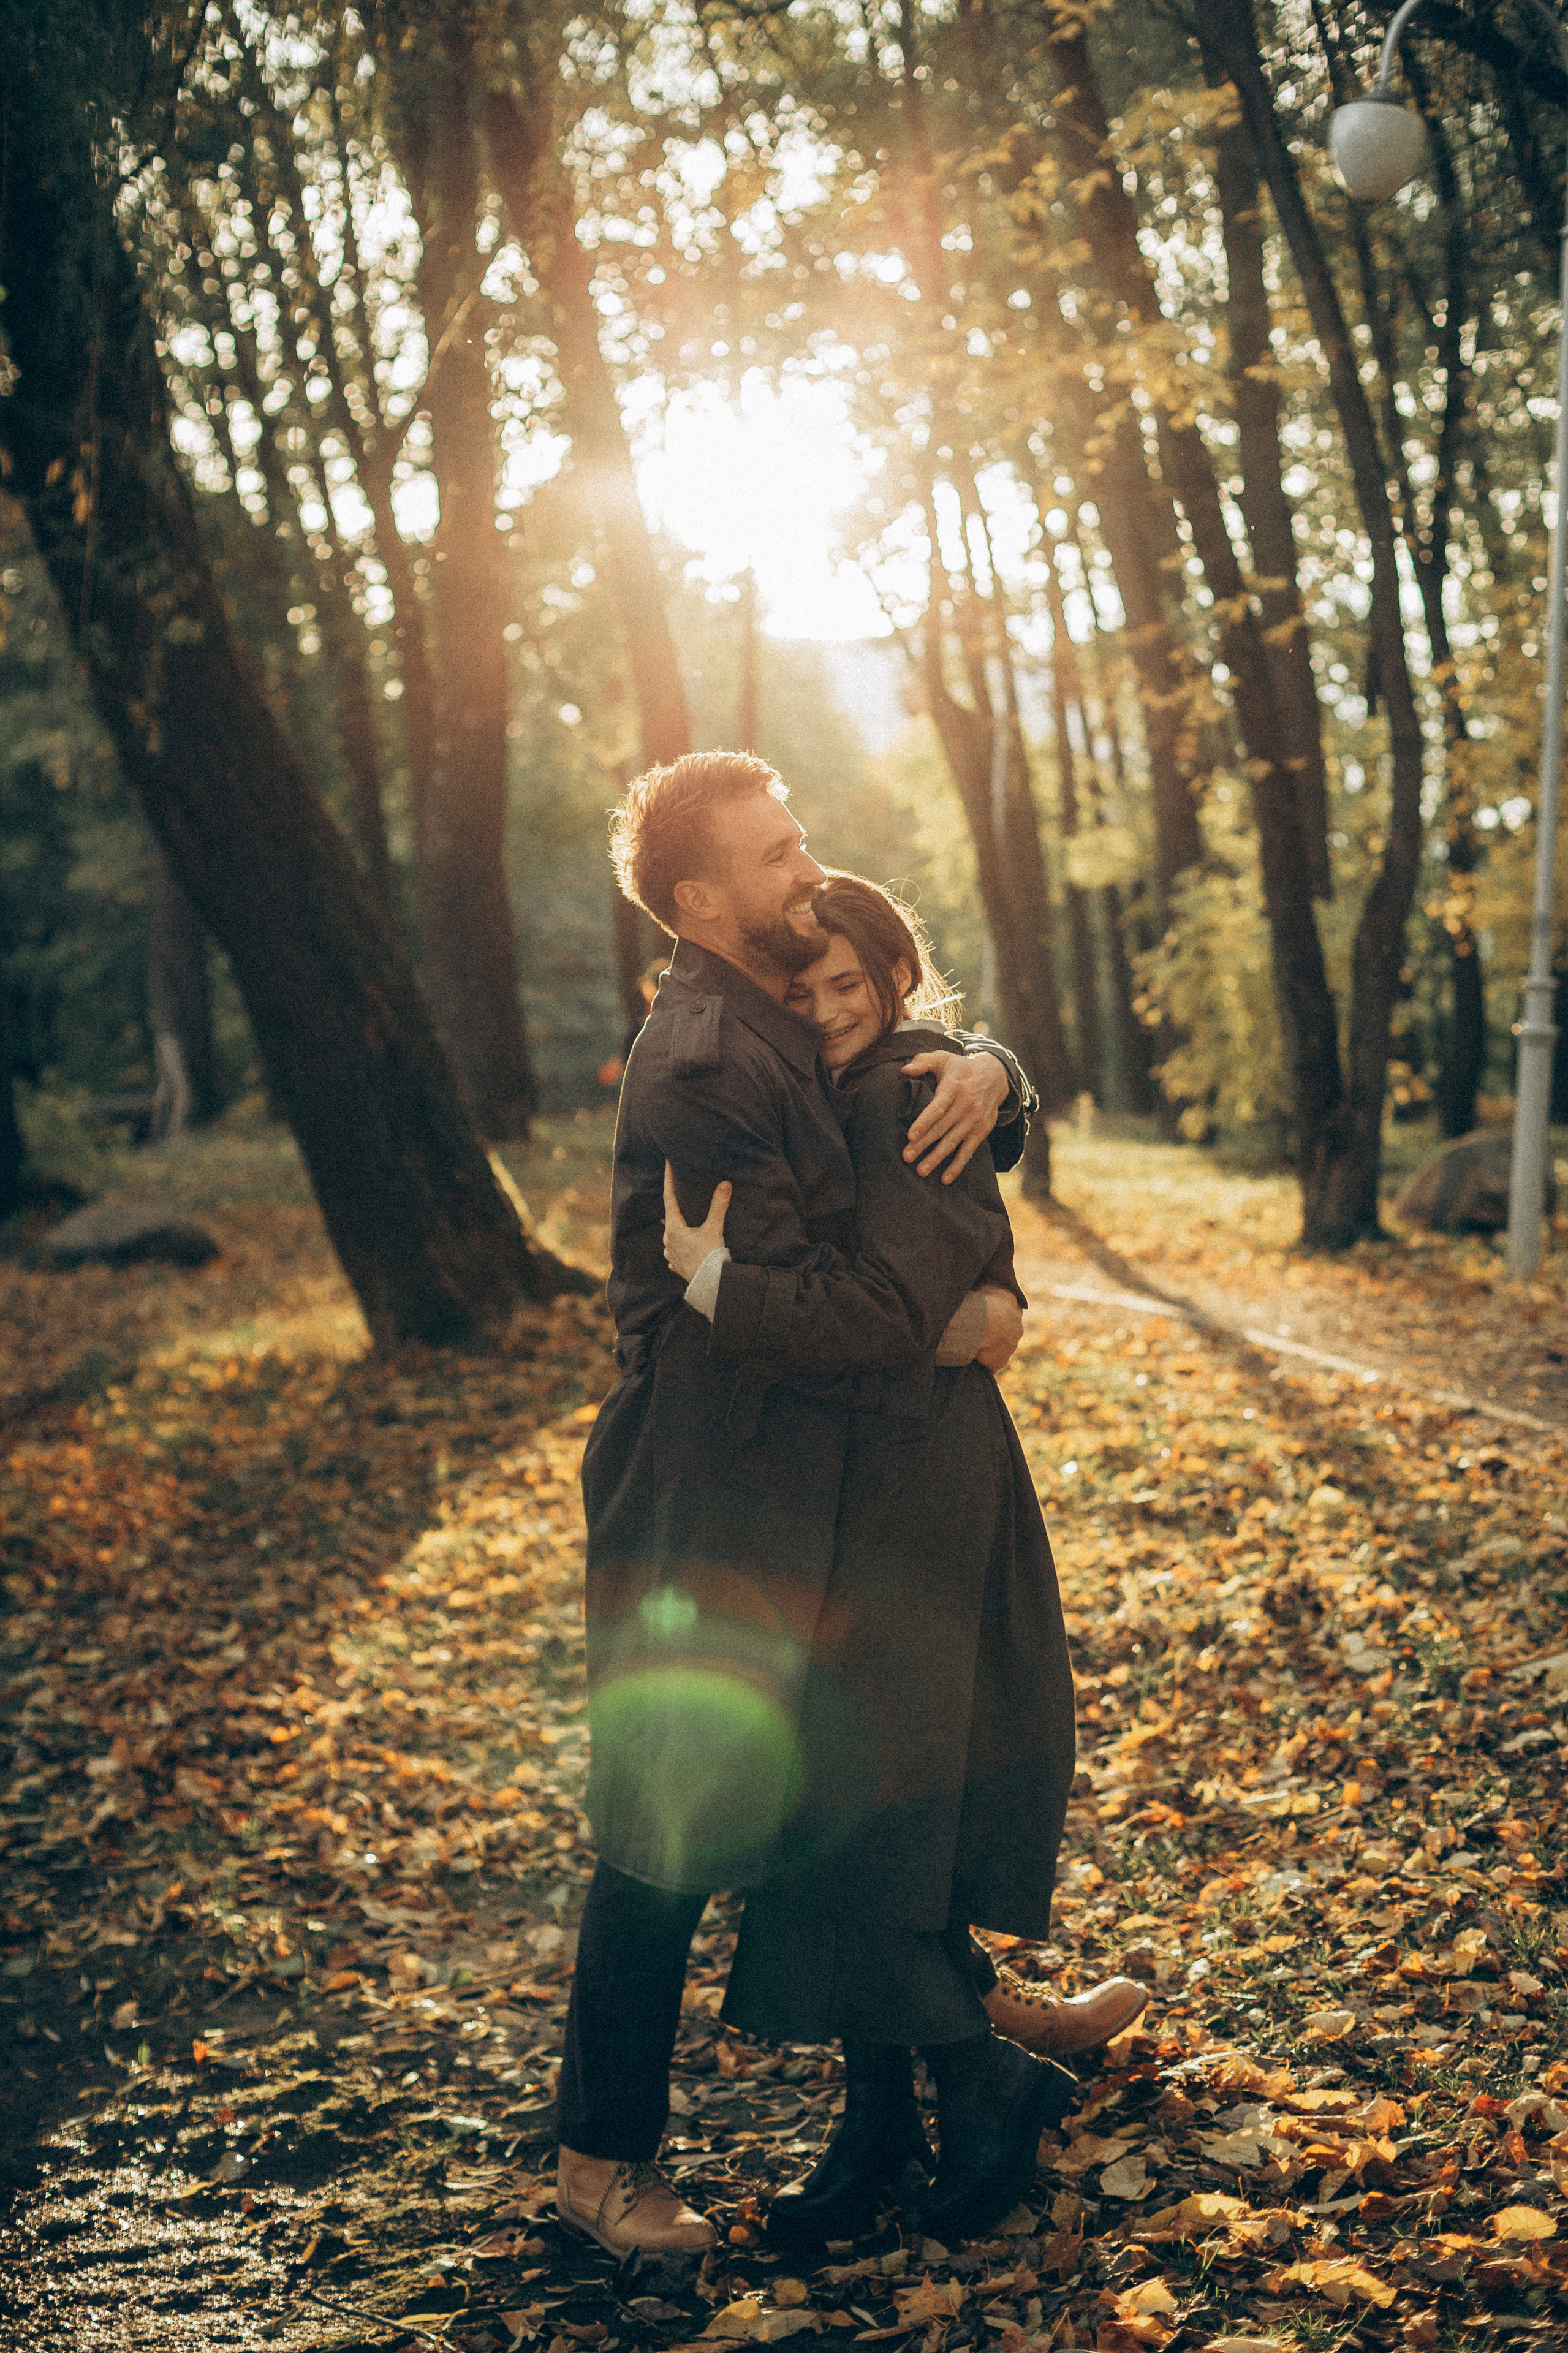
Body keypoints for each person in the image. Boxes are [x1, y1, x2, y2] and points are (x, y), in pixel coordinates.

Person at [555, 752, 1037, 2262]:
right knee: (667, 1822)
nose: (803, 867)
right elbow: (804, 1298)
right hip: (709, 1487)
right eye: (772, 854)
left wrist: (990, 1071)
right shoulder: (706, 1061)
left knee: (854, 1775)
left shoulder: (779, 1011)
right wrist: (944, 1315)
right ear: (699, 900)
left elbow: (888, 1036)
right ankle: (596, 2166)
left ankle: (947, 2049)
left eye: (797, 837)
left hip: (800, 1473)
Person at [662, 875, 1145, 2249]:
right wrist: (998, 1077)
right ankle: (881, 2117)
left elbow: (888, 1304)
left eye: (849, 987)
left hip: (911, 1485)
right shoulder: (849, 1088)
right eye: (801, 989)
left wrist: (712, 1284)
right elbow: (931, 1288)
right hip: (866, 1474)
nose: (825, 1010)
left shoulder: (896, 1094)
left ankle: (979, 2082)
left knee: (867, 1790)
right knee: (852, 1791)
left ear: (893, 979)